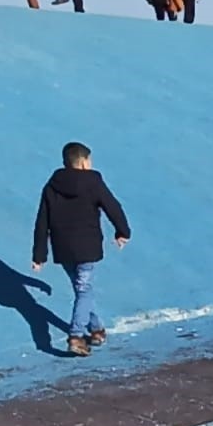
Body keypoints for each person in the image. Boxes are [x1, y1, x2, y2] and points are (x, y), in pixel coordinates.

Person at [31, 141, 131, 357]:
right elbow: (112, 206)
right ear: (85, 162)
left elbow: (42, 221)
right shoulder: (93, 181)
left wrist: (39, 255)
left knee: (81, 290)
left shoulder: (51, 186)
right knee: (84, 290)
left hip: (63, 248)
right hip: (87, 246)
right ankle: (76, 336)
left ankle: (96, 329)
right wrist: (123, 232)